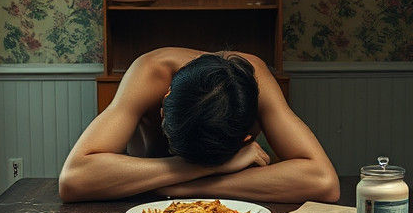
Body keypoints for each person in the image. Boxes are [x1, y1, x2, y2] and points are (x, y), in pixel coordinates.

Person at [58, 47, 340, 203]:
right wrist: (210, 168)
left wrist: (186, 188)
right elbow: (75, 178)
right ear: (164, 102)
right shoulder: (150, 72)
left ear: (245, 136)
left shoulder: (255, 83)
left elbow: (322, 181)